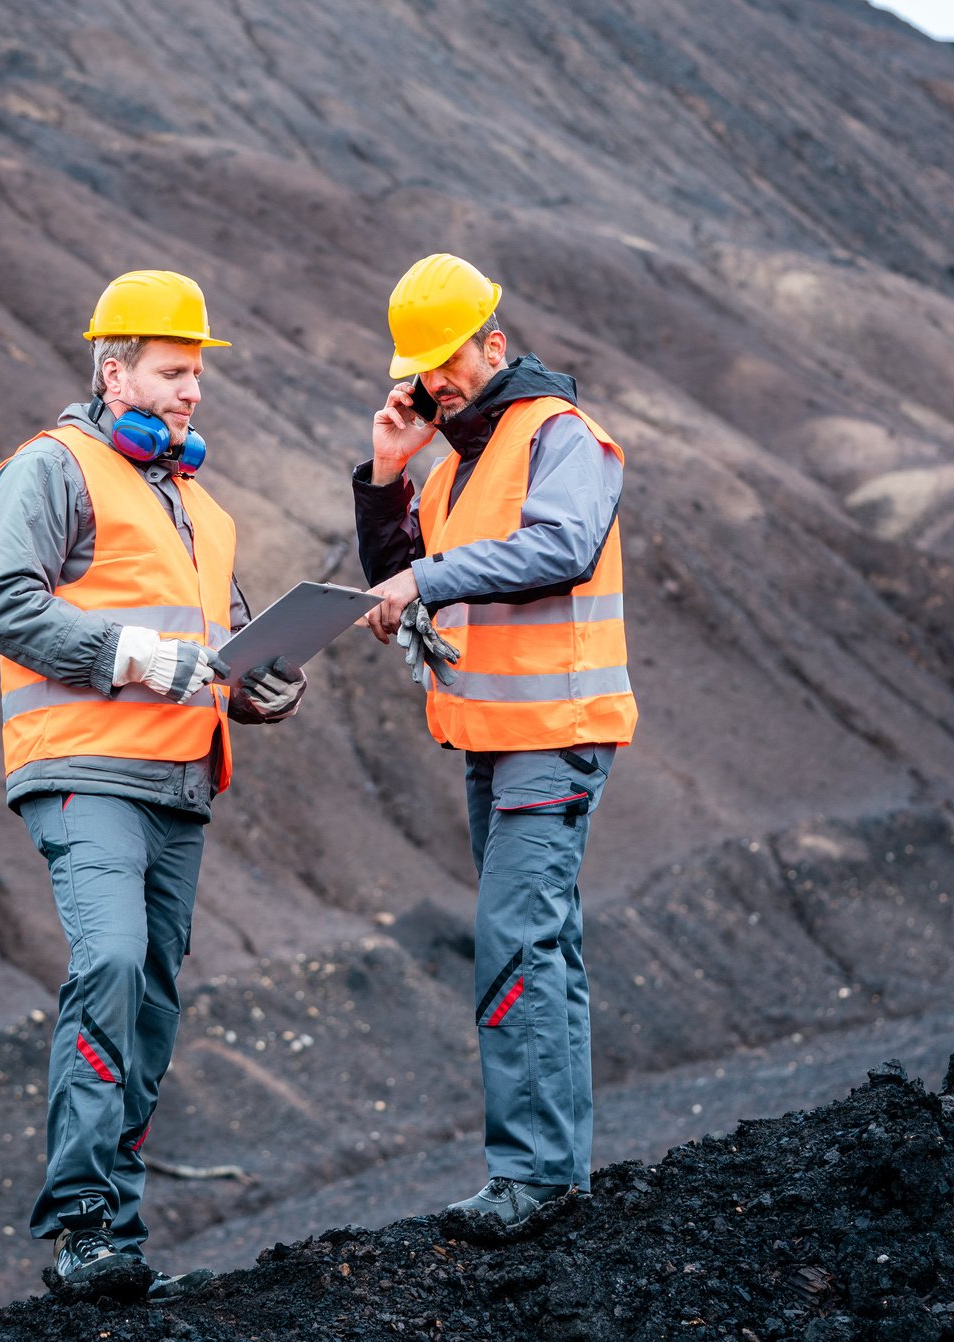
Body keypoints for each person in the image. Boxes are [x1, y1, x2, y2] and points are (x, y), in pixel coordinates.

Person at [0, 269, 306, 1301]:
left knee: (151, 1002)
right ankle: (77, 1223)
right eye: (171, 371)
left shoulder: (202, 507)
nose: (190, 390)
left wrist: (263, 686)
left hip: (178, 784)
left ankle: (114, 1228)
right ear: (113, 372)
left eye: (196, 373)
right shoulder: (51, 468)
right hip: (82, 769)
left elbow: (215, 651)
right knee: (110, 961)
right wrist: (131, 655)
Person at [350, 252, 637, 1235]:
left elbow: (560, 546)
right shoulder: (456, 466)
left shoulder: (561, 435)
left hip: (554, 730)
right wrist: (387, 477)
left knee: (516, 936)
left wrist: (423, 584)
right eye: (423, 368)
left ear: (495, 343)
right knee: (541, 940)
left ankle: (530, 1175)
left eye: (449, 360)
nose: (436, 381)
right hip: (491, 734)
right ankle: (557, 1172)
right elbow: (403, 571)